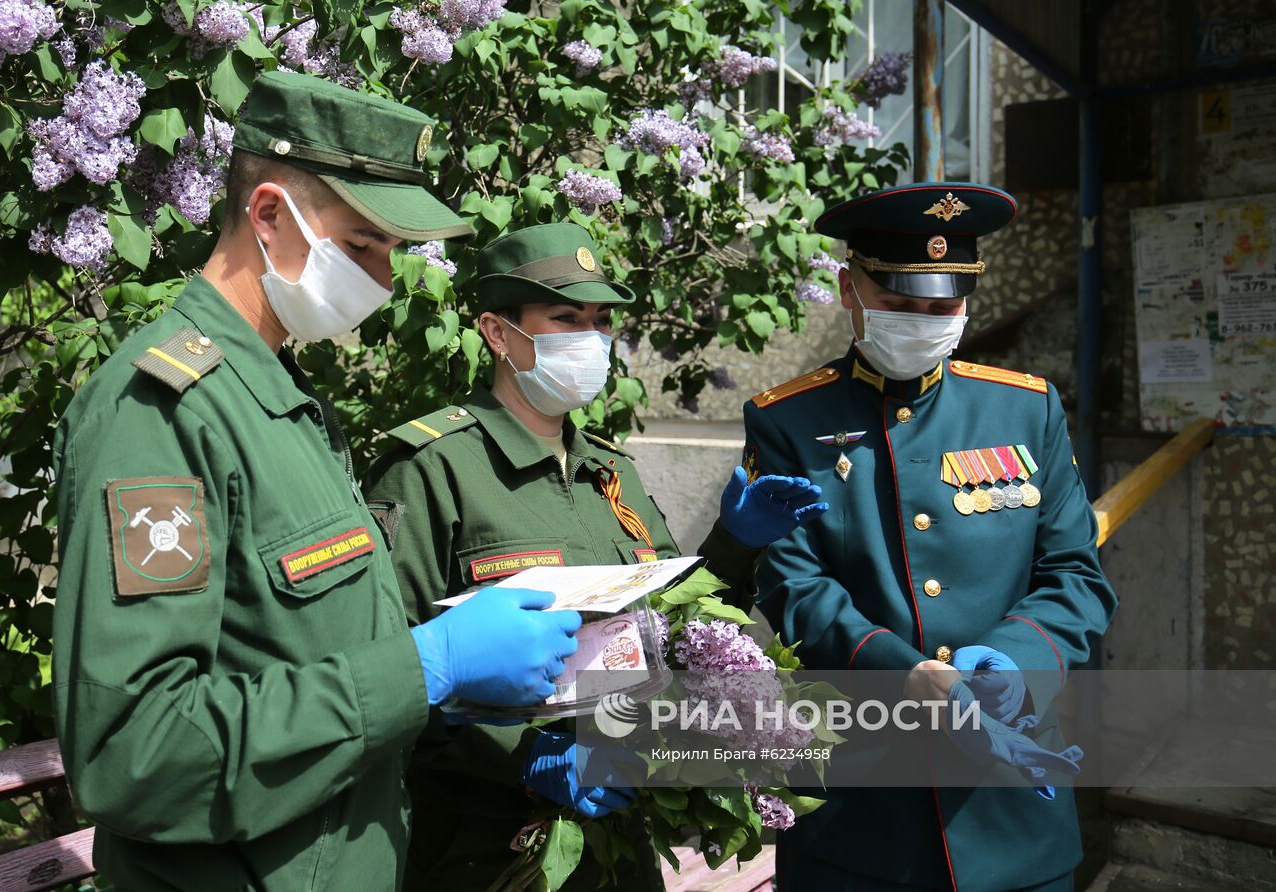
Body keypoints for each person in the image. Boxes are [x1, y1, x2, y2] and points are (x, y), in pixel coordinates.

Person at [52, 72, 586, 891]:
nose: (383, 277)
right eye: (362, 245)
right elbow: (137, 755)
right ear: (268, 214)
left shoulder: (281, 403)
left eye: (391, 253)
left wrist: (464, 682)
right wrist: (426, 664)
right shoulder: (160, 414)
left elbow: (301, 657)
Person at [364, 222, 829, 890]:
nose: (591, 339)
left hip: (621, 836)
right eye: (565, 318)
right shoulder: (432, 469)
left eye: (601, 321)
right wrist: (521, 757)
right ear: (498, 333)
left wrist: (735, 544)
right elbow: (391, 668)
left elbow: (674, 632)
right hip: (487, 850)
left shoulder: (611, 471)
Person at [743, 183, 1118, 891]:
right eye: (900, 304)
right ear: (850, 287)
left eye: (943, 308)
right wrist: (901, 671)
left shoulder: (1026, 408)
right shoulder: (787, 421)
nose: (923, 323)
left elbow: (1075, 574)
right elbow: (793, 581)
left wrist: (1013, 664)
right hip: (859, 816)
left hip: (1011, 811)